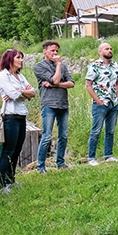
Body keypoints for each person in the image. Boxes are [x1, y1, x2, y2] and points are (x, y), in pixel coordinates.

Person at [0, 49, 36, 194]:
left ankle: (10, 180)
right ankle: (0, 185)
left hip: (21, 116)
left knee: (17, 150)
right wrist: (22, 92)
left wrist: (21, 92)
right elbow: (13, 94)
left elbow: (33, 92)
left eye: (22, 58)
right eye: (18, 58)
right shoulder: (3, 75)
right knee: (8, 150)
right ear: (10, 59)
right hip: (10, 116)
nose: (21, 60)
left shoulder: (20, 76)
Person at [33, 41, 75, 174]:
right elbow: (55, 79)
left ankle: (60, 163)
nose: (55, 53)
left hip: (63, 104)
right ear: (45, 51)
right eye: (52, 51)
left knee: (63, 135)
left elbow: (71, 83)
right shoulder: (39, 66)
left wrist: (55, 85)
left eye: (57, 51)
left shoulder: (63, 66)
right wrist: (57, 66)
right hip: (49, 104)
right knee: (46, 136)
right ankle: (40, 166)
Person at [85, 43, 118, 166]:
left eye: (111, 48)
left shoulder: (115, 65)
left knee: (110, 131)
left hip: (113, 102)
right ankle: (91, 157)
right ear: (100, 51)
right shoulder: (94, 66)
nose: (110, 50)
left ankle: (108, 155)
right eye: (107, 49)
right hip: (100, 103)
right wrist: (98, 100)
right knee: (96, 131)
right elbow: (88, 85)